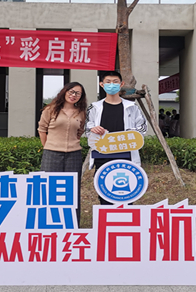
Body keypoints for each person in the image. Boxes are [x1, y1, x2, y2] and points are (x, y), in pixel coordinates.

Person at [86, 71, 147, 205]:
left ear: (121, 84)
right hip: (102, 155)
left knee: (126, 194)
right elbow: (87, 128)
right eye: (108, 82)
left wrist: (131, 134)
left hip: (126, 156)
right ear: (101, 84)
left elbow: (142, 127)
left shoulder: (132, 107)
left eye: (115, 82)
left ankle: (125, 217)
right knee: (104, 193)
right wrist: (93, 129)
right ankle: (106, 216)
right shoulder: (95, 107)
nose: (111, 85)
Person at [38, 82, 88, 224]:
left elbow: (80, 131)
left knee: (72, 189)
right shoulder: (50, 110)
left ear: (81, 97)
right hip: (52, 153)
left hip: (74, 154)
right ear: (64, 92)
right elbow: (42, 130)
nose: (73, 95)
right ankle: (48, 221)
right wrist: (48, 146)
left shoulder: (81, 112)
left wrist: (73, 142)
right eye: (71, 92)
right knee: (49, 187)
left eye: (78, 93)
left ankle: (72, 222)